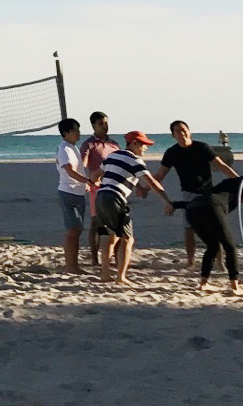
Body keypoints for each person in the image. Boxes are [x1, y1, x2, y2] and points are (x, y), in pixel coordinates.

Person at [154, 120, 243, 294]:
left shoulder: (202, 147)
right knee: (189, 229)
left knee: (217, 230)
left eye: (184, 130)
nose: (181, 134)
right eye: (177, 132)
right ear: (173, 135)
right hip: (188, 192)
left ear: (189, 131)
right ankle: (190, 260)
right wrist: (145, 186)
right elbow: (160, 174)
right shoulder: (172, 152)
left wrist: (239, 180)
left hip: (209, 193)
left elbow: (222, 166)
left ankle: (219, 262)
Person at [93, 130, 170, 285]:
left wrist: (135, 187)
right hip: (115, 198)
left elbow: (95, 175)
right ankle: (121, 277)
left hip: (100, 196)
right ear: (134, 143)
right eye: (144, 145)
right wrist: (166, 201)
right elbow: (152, 182)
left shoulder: (112, 156)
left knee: (108, 236)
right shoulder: (135, 161)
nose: (146, 149)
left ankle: (105, 274)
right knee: (127, 238)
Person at [77, 112, 119, 267]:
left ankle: (113, 257)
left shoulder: (114, 144)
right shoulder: (88, 144)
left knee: (114, 224)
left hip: (115, 188)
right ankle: (95, 259)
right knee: (97, 223)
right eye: (101, 123)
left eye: (106, 123)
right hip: (98, 189)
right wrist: (88, 180)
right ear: (93, 125)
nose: (105, 126)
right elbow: (82, 164)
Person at [54, 117, 93, 274]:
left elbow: (78, 167)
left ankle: (74, 265)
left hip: (77, 192)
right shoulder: (64, 149)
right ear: (66, 133)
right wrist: (87, 181)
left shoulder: (72, 147)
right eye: (75, 131)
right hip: (68, 192)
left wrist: (85, 183)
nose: (79, 133)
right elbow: (69, 170)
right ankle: (71, 267)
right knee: (72, 230)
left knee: (77, 229)